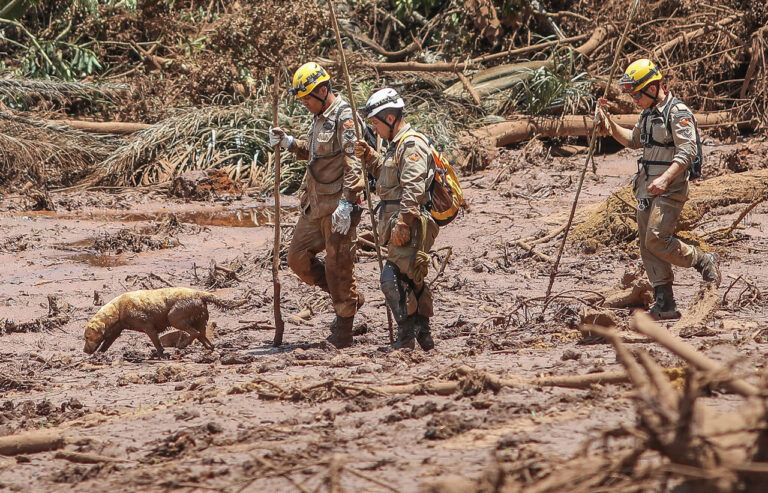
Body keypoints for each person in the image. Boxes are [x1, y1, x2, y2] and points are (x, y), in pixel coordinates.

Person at [598, 59, 720, 320]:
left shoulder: (678, 112)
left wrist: (665, 179)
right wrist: (608, 124)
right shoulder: (648, 114)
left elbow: (688, 151)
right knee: (646, 243)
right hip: (645, 188)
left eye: (637, 94)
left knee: (656, 237)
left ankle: (700, 259)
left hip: (670, 188)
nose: (634, 100)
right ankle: (665, 302)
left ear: (653, 88)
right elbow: (633, 140)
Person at [269, 62, 365, 348]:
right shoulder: (320, 115)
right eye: (302, 99)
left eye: (308, 98)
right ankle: (345, 297)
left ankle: (344, 327)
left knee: (339, 266)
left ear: (324, 90)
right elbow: (314, 154)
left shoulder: (345, 118)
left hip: (338, 207)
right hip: (314, 205)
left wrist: (348, 204)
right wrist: (288, 143)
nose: (305, 103)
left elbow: (354, 164)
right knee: (297, 258)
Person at [354, 88, 439, 350]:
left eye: (376, 123)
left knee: (391, 279)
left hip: (410, 223)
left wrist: (403, 222)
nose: (375, 129)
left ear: (390, 118)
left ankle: (405, 339)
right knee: (412, 279)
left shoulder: (411, 144)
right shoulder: (396, 145)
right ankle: (423, 335)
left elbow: (413, 188)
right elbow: (388, 176)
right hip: (399, 221)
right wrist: (369, 157)